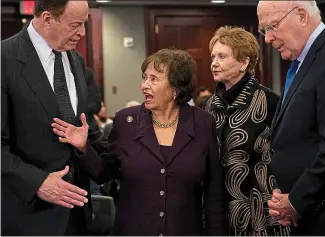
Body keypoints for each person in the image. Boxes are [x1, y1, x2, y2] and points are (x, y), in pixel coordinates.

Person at [51, 48, 226, 235]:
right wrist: (84, 147)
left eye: (154, 79)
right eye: (144, 78)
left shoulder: (202, 123)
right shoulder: (127, 122)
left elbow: (213, 194)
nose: (145, 85)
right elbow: (104, 172)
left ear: (176, 87)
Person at [257, 0, 325, 235]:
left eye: (272, 27)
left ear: (302, 16)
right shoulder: (304, 62)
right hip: (312, 213)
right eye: (264, 30)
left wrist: (295, 201)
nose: (267, 38)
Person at [1, 0, 97, 235]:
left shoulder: (76, 60)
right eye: (75, 25)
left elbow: (85, 128)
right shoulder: (4, 59)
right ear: (47, 18)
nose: (82, 33)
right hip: (26, 216)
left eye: (84, 24)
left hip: (77, 215)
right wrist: (37, 183)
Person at [205, 26, 289, 235]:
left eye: (222, 56)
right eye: (213, 56)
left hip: (260, 209)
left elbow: (287, 153)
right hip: (218, 208)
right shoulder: (209, 105)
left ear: (244, 62)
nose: (214, 63)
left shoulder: (269, 101)